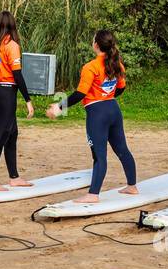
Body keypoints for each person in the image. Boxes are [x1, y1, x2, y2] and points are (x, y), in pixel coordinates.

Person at [46, 29, 136, 203]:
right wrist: (106, 98)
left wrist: (58, 107)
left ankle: (93, 194)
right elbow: (121, 88)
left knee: (99, 156)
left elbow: (80, 93)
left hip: (97, 114)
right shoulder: (118, 64)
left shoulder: (91, 67)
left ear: (96, 45)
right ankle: (132, 186)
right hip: (113, 109)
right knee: (122, 150)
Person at [0, 10, 34, 192]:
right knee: (2, 135)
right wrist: (28, 100)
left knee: (12, 134)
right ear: (12, 25)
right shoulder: (11, 45)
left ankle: (14, 177)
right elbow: (17, 74)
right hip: (6, 92)